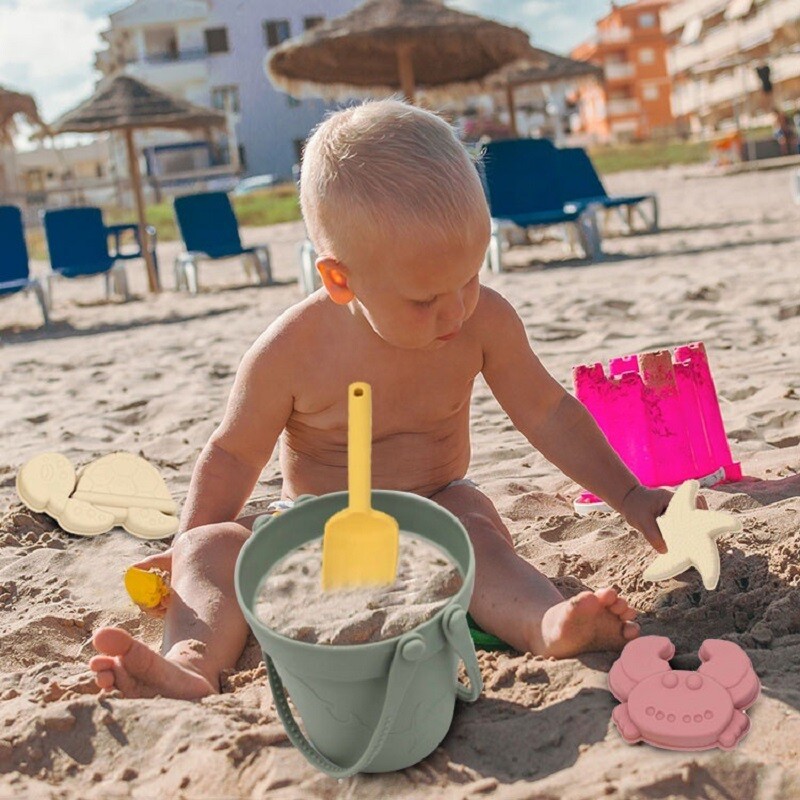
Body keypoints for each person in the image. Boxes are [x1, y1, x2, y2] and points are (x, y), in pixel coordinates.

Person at [89, 99, 676, 700]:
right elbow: (234, 456)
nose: (455, 311)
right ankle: (191, 661)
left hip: (436, 515)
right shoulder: (291, 351)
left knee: (475, 525)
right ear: (340, 280)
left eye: (470, 277)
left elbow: (548, 413)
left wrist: (629, 496)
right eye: (425, 300)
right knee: (210, 546)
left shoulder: (485, 321)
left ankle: (545, 623)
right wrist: (187, 545)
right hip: (315, 540)